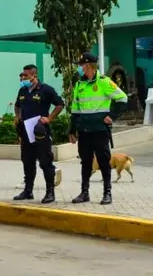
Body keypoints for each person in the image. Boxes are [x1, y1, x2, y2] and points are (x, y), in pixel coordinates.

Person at [69, 53, 128, 205]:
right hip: (84, 132)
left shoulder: (104, 82)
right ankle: (84, 192)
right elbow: (75, 110)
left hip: (100, 131)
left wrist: (112, 116)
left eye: (81, 65)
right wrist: (71, 130)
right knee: (85, 162)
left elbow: (123, 98)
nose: (79, 68)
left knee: (103, 162)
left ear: (88, 66)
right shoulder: (79, 84)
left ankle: (107, 193)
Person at [12, 64, 64, 204]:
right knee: (27, 161)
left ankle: (50, 193)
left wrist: (49, 118)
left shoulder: (46, 89)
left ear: (34, 76)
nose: (23, 78)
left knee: (45, 162)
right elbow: (17, 105)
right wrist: (17, 117)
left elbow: (59, 104)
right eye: (22, 75)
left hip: (41, 133)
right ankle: (28, 191)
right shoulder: (22, 90)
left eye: (26, 76)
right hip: (26, 133)